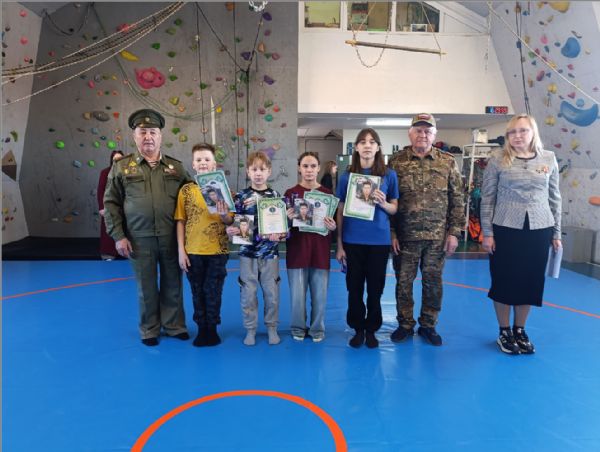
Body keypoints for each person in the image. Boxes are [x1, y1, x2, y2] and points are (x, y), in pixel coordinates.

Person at [104, 109, 192, 346]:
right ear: (135, 136)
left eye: (153, 132)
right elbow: (111, 203)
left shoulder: (177, 168)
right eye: (143, 132)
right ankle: (149, 329)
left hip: (170, 237)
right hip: (138, 239)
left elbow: (192, 198)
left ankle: (174, 325)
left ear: (160, 136)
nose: (148, 137)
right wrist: (118, 236)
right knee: (146, 286)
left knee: (173, 283)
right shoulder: (121, 167)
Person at [480, 114, 562, 355]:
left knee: (530, 281)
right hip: (505, 228)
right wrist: (487, 233)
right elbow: (487, 198)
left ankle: (520, 329)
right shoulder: (497, 159)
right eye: (512, 132)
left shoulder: (549, 158)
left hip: (539, 229)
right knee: (504, 280)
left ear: (533, 132)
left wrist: (557, 232)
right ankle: (504, 331)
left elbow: (555, 197)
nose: (517, 136)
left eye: (522, 130)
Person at [387, 113, 464, 347]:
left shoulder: (447, 161)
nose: (423, 134)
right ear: (410, 133)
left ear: (434, 134)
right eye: (418, 130)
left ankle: (428, 325)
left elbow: (457, 199)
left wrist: (454, 232)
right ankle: (405, 324)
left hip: (436, 237)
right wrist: (391, 232)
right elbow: (388, 199)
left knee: (433, 283)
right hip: (405, 237)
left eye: (427, 131)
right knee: (403, 283)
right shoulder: (396, 162)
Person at [336, 129, 399, 348]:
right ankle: (358, 328)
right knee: (354, 288)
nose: (367, 145)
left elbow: (394, 208)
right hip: (352, 241)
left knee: (375, 289)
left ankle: (371, 329)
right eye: (362, 142)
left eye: (372, 142)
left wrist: (383, 203)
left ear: (378, 147)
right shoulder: (347, 177)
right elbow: (340, 210)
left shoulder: (389, 175)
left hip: (379, 242)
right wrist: (339, 244)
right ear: (356, 148)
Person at [175, 143, 234, 347]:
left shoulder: (224, 189)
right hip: (193, 250)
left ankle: (212, 328)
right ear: (193, 164)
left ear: (214, 164)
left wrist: (224, 213)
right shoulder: (186, 190)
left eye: (207, 159)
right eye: (199, 160)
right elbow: (180, 220)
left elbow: (230, 221)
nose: (203, 163)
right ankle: (201, 328)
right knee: (197, 290)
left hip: (217, 250)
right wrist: (181, 250)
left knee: (213, 290)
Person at [226, 151, 285, 346]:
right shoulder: (241, 196)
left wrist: (280, 234)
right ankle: (250, 329)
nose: (258, 173)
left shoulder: (276, 196)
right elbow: (235, 224)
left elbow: (283, 229)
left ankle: (272, 327)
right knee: (248, 294)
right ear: (248, 172)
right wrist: (231, 230)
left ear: (269, 172)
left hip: (270, 254)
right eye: (254, 169)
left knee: (272, 294)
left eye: (262, 169)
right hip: (247, 254)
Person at [285, 152, 337, 343]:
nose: (309, 170)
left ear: (318, 168)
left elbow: (332, 224)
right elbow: (282, 228)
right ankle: (298, 327)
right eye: (305, 166)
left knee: (320, 296)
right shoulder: (290, 194)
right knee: (297, 297)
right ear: (299, 168)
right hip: (297, 251)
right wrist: (287, 219)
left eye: (313, 166)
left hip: (320, 252)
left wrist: (333, 227)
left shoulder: (328, 194)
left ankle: (317, 329)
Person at [97, 150, 124, 260]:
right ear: (111, 160)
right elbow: (100, 191)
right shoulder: (105, 172)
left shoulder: (127, 172)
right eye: (115, 159)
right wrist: (101, 207)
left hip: (123, 207)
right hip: (108, 206)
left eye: (120, 159)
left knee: (124, 230)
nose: (117, 161)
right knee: (108, 231)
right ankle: (108, 254)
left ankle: (123, 253)